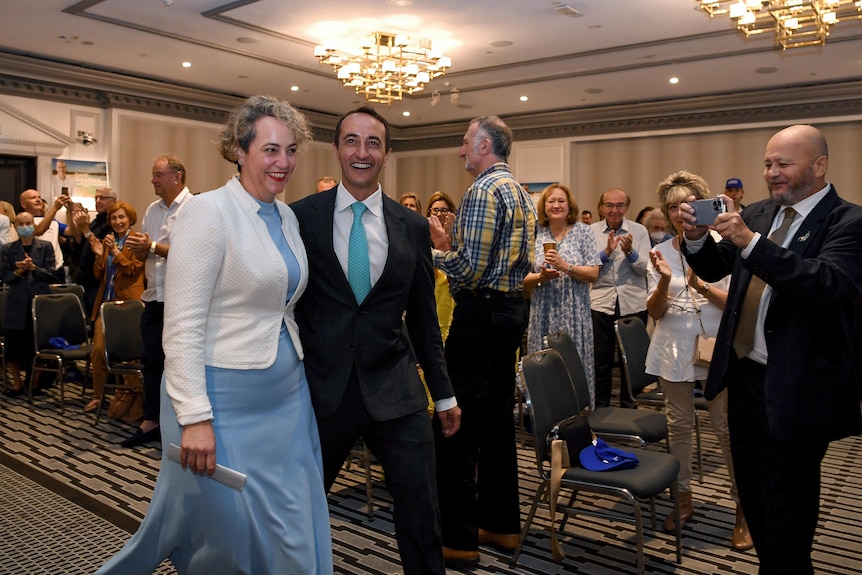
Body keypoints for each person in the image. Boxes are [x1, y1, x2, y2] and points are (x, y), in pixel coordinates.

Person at [97, 95, 332, 574]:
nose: (283, 162)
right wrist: (195, 419)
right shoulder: (208, 213)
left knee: (292, 523)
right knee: (232, 535)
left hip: (287, 400)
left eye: (290, 150)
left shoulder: (285, 217)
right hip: (223, 404)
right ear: (240, 151)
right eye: (270, 150)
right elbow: (180, 326)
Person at [681, 125, 862, 574]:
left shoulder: (849, 221)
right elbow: (716, 264)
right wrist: (696, 239)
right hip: (744, 379)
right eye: (767, 164)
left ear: (818, 166)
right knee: (754, 492)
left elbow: (824, 283)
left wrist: (750, 243)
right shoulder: (759, 214)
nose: (772, 173)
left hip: (798, 384)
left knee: (789, 505)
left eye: (784, 164)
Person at [291, 106, 460, 575]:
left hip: (395, 388)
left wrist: (443, 395)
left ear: (386, 154)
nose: (361, 152)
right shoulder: (300, 217)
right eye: (352, 141)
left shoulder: (411, 225)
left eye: (373, 143)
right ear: (337, 149)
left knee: (422, 513)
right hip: (323, 390)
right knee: (299, 513)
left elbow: (425, 316)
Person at [428, 115, 536, 567]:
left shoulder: (482, 191)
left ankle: (458, 540)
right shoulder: (520, 191)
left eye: (466, 143)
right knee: (495, 428)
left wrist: (431, 250)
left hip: (479, 318)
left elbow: (470, 269)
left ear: (485, 145)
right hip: (509, 315)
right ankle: (501, 527)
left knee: (455, 427)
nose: (461, 151)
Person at [645, 171, 751, 550]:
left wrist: (701, 284)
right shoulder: (660, 249)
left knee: (726, 429)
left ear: (701, 207)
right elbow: (655, 311)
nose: (678, 212)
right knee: (679, 425)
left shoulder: (724, 245)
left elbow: (735, 302)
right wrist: (663, 280)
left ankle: (744, 508)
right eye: (672, 207)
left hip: (714, 344)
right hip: (672, 343)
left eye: (685, 205)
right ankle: (684, 497)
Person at [120, 155, 192, 448]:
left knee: (180, 364)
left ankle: (180, 425)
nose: (153, 180)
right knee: (152, 361)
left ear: (177, 176)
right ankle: (151, 421)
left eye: (159, 174)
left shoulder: (194, 208)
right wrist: (139, 248)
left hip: (182, 299)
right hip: (154, 296)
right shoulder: (152, 209)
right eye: (153, 175)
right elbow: (143, 256)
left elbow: (190, 255)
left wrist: (150, 246)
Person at [523, 183, 600, 404]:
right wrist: (540, 277)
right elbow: (522, 278)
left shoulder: (583, 232)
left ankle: (576, 417)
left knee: (572, 366)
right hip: (543, 312)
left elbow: (593, 273)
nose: (556, 205)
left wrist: (565, 266)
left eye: (561, 201)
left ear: (569, 206)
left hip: (574, 312)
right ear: (544, 206)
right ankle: (545, 419)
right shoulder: (534, 233)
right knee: (543, 366)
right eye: (551, 201)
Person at [590, 189, 652, 408]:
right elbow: (587, 267)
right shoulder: (591, 231)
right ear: (601, 207)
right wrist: (606, 253)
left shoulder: (639, 231)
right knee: (601, 360)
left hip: (633, 302)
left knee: (632, 360)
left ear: (627, 207)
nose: (615, 210)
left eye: (620, 205)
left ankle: (630, 404)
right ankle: (602, 407)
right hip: (600, 302)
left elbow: (646, 269)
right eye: (610, 205)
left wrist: (630, 253)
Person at [83, 201, 145, 413]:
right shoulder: (108, 241)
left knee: (131, 355)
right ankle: (98, 396)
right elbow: (98, 274)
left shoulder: (138, 240)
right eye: (114, 218)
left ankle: (129, 399)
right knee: (98, 352)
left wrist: (116, 253)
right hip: (106, 305)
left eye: (121, 217)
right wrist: (101, 254)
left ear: (130, 219)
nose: (118, 222)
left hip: (129, 306)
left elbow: (132, 270)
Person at [1, 211, 54, 397]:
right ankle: (16, 384)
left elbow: (51, 274)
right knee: (13, 348)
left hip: (39, 303)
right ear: (15, 227)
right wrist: (19, 271)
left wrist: (33, 268)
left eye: (28, 223)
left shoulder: (45, 247)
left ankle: (34, 383)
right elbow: (5, 276)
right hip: (16, 304)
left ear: (34, 224)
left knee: (37, 346)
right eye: (21, 223)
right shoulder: (7, 249)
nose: (25, 227)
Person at [68, 188, 116, 313]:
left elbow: (101, 247)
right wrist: (79, 234)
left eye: (102, 198)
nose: (98, 201)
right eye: (96, 198)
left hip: (99, 281)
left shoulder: (114, 222)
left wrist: (85, 230)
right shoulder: (95, 221)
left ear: (113, 201)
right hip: (84, 277)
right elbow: (82, 249)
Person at [425, 191, 457, 342]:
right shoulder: (422, 234)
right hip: (431, 292)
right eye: (435, 210)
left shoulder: (457, 235)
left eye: (444, 210)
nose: (439, 213)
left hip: (451, 293)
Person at [20, 189, 66, 282]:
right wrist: (55, 208)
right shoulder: (22, 222)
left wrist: (70, 209)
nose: (38, 200)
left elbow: (71, 231)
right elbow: (38, 231)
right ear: (23, 204)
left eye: (39, 197)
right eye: (33, 198)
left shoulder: (53, 222)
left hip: (57, 269)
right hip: (35, 270)